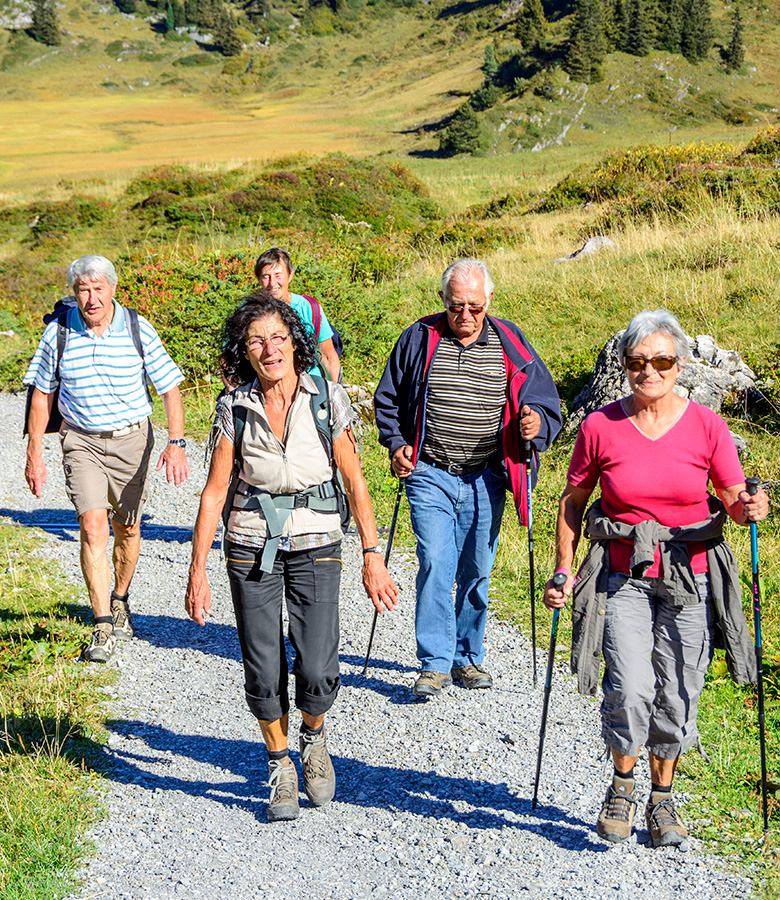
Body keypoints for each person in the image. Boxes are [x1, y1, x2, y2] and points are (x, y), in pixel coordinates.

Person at [543, 309, 769, 848]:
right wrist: (563, 568)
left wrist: (750, 506)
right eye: (639, 361)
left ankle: (661, 799)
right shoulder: (601, 426)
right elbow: (573, 503)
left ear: (680, 364)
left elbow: (734, 500)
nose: (651, 371)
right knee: (629, 685)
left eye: (663, 361)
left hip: (689, 576)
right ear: (624, 366)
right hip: (622, 575)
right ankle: (622, 786)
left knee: (681, 688)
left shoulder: (707, 426)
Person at [185, 293, 398, 822]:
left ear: (294, 343)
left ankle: (314, 736)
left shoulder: (325, 395)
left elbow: (353, 477)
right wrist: (197, 571)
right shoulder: (234, 406)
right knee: (261, 665)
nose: (269, 348)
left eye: (278, 337)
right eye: (256, 340)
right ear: (244, 351)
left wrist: (373, 554)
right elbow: (214, 493)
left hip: (318, 537)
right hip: (251, 541)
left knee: (320, 663)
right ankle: (279, 762)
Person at [374, 258, 562, 697]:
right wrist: (397, 443)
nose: (466, 316)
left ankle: (468, 657)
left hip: (488, 476)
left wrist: (536, 425)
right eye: (457, 305)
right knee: (437, 561)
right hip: (430, 470)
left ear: (489, 301)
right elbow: (389, 397)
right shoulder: (419, 338)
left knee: (477, 567)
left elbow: (544, 402)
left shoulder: (511, 343)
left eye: (475, 307)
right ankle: (435, 662)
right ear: (443, 299)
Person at [24, 255, 190, 663]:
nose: (91, 297)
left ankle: (119, 598)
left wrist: (177, 442)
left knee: (127, 527)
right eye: (83, 289)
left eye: (98, 288)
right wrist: (34, 454)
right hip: (81, 441)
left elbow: (169, 388)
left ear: (113, 289)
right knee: (93, 526)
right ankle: (102, 625)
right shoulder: (58, 334)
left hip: (133, 440)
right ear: (74, 293)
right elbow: (42, 395)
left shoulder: (137, 328)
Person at [254, 248, 341, 381]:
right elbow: (228, 358)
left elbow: (328, 357)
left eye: (278, 275)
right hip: (264, 387)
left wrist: (333, 394)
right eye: (266, 277)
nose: (272, 283)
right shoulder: (249, 313)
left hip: (310, 386)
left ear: (290, 275)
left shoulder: (309, 308)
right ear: (259, 279)